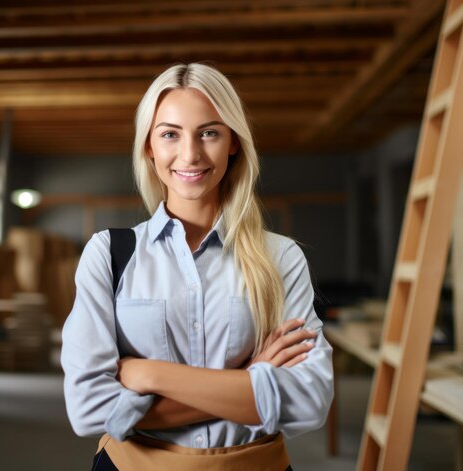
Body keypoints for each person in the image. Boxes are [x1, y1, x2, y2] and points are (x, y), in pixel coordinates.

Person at [61, 63, 334, 471]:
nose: (190, 154)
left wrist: (150, 374)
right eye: (170, 134)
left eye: (209, 132)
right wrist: (252, 381)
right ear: (149, 147)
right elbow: (89, 411)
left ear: (233, 143)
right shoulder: (108, 254)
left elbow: (309, 402)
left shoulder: (281, 258)